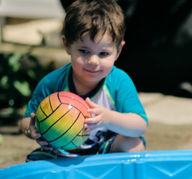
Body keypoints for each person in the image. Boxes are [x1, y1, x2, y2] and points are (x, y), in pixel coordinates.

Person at [19, 0, 148, 161]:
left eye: (103, 53)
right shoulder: (52, 83)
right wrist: (31, 128)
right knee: (34, 162)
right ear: (67, 45)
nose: (93, 61)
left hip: (104, 151)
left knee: (133, 145)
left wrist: (109, 118)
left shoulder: (118, 82)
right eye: (84, 51)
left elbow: (140, 126)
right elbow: (25, 120)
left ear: (118, 50)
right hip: (60, 150)